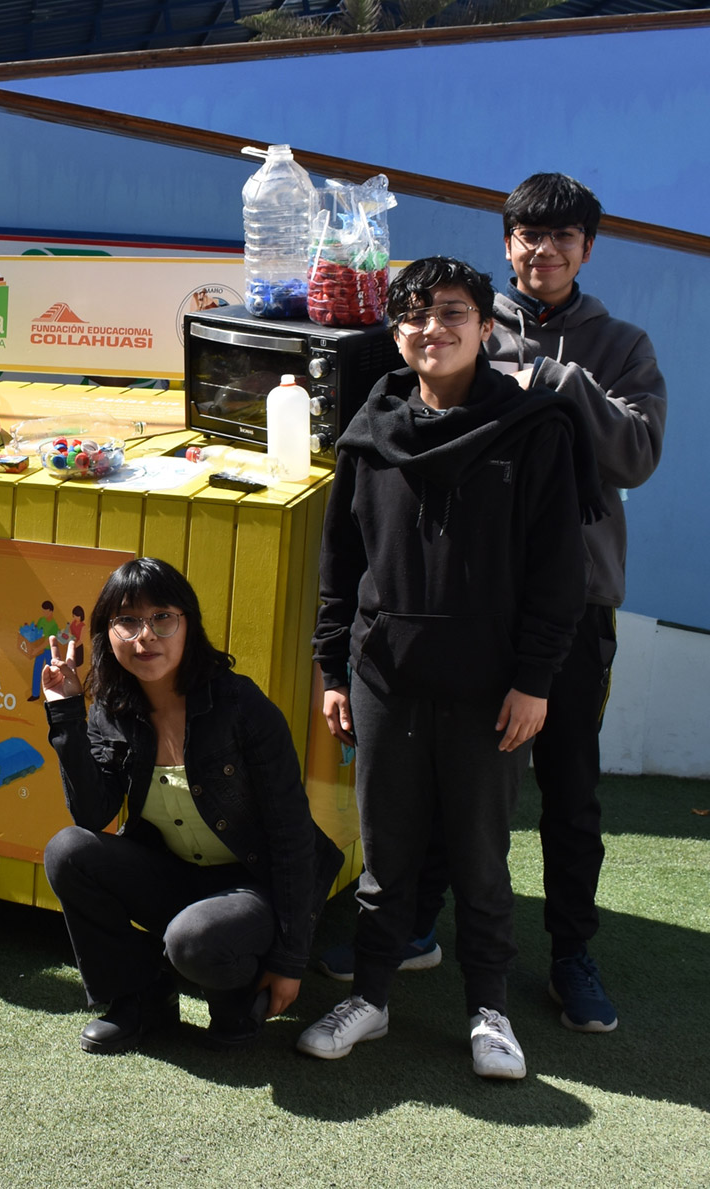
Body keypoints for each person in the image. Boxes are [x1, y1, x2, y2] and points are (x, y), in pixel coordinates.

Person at [318, 176, 667, 1036]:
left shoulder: (620, 344)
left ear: (588, 247)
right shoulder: (458, 311)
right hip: (452, 607)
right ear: (506, 243)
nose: (540, 252)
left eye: (560, 239)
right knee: (438, 772)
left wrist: (557, 381)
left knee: (568, 787)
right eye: (525, 237)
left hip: (570, 602)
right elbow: (376, 426)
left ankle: (572, 952)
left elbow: (635, 455)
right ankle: (418, 925)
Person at [300, 257, 601, 1080]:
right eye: (415, 314)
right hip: (385, 676)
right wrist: (332, 667)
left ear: (485, 326)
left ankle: (490, 1010)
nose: (432, 327)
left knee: (480, 854)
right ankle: (370, 995)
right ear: (395, 331)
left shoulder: (535, 430)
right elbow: (341, 563)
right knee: (387, 850)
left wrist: (535, 679)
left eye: (452, 312)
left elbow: (558, 576)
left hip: (489, 688)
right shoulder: (372, 427)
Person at [39, 557, 342, 1054]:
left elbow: (292, 835)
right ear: (106, 635)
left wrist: (290, 961)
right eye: (128, 621)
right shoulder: (112, 711)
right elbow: (92, 816)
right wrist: (66, 712)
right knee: (68, 850)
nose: (145, 638)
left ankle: (230, 982)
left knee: (195, 946)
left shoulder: (241, 706)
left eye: (162, 618)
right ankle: (140, 998)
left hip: (254, 884)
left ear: (188, 625)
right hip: (176, 877)